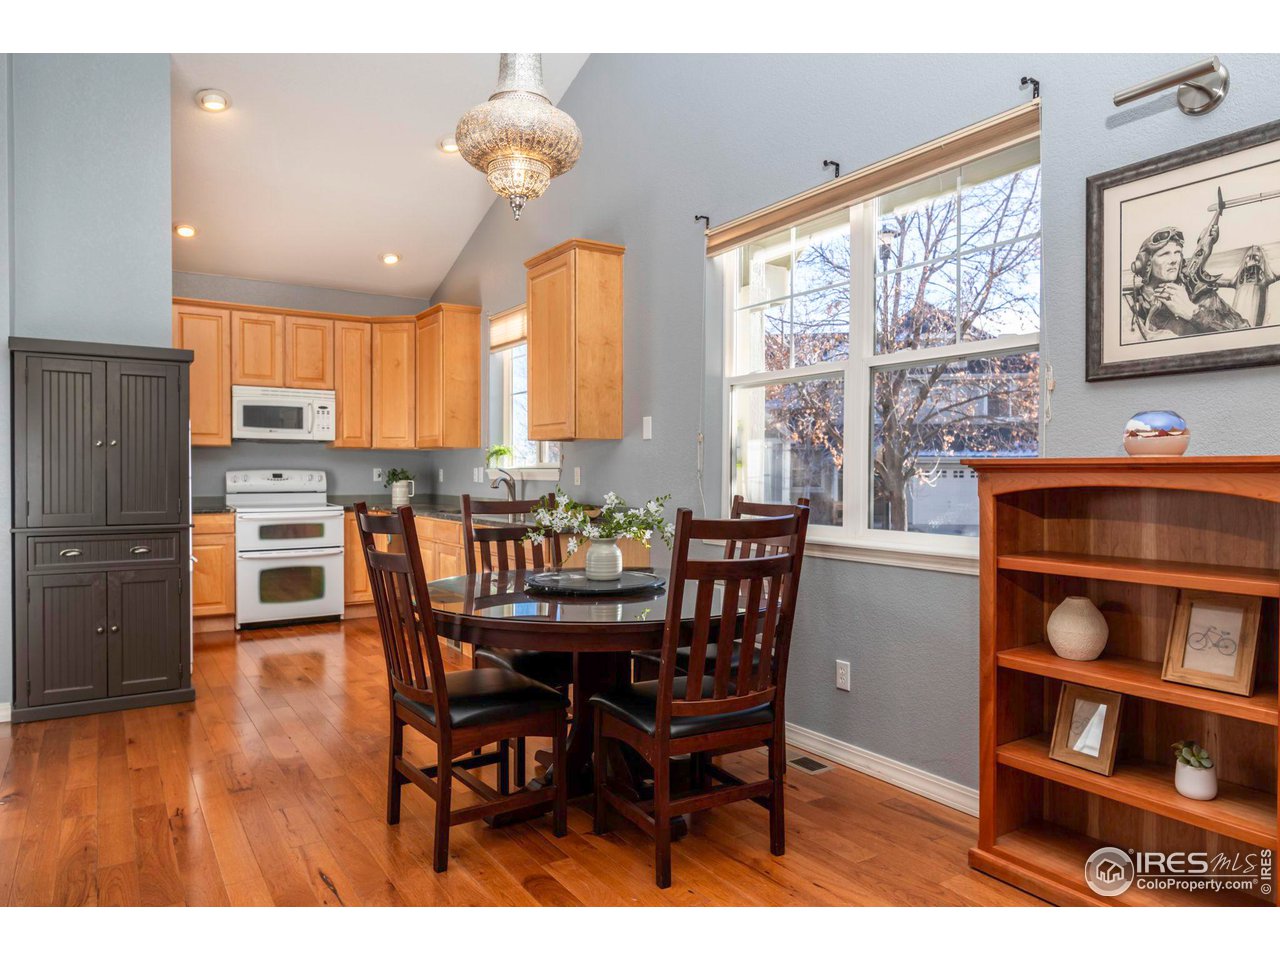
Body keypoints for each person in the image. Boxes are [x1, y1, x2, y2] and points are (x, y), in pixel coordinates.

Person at [1128, 213, 1246, 339]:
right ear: (1146, 264)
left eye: (1177, 253)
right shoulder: (1130, 302)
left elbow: (1244, 331)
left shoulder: (1199, 293)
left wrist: (1193, 313)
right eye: (1165, 254)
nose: (1174, 260)